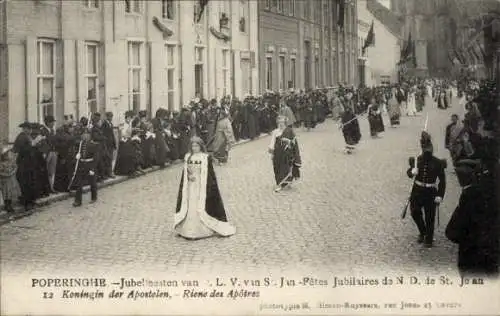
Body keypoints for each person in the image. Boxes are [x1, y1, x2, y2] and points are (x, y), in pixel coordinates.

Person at [174, 136, 236, 240]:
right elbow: (186, 172)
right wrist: (189, 176)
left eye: (196, 146)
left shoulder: (205, 157)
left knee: (200, 204)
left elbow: (210, 175)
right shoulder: (188, 156)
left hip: (201, 185)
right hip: (191, 185)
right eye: (193, 146)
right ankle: (188, 229)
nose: (194, 148)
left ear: (200, 146)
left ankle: (201, 229)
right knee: (191, 204)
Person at [445, 159, 499, 277]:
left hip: (470, 256)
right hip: (491, 256)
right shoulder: (491, 194)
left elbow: (452, 233)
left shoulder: (467, 197)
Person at [407, 131, 446, 248]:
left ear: (431, 148)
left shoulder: (438, 163)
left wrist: (440, 195)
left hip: (430, 192)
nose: (427, 151)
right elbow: (409, 172)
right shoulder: (416, 160)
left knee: (430, 216)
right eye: (425, 148)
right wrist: (411, 172)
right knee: (414, 212)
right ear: (422, 148)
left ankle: (429, 238)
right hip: (417, 190)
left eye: (429, 148)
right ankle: (422, 231)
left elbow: (442, 181)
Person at [268, 116, 301, 192]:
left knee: (286, 168)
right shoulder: (275, 132)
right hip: (277, 153)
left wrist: (288, 141)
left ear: (285, 122)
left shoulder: (289, 131)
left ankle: (283, 184)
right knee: (277, 169)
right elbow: (272, 142)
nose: (281, 124)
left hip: (287, 153)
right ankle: (279, 183)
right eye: (279, 122)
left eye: (282, 122)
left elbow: (294, 143)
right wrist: (272, 153)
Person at [70, 128, 99, 207]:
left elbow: (96, 158)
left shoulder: (94, 145)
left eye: (87, 134)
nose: (85, 136)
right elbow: (75, 152)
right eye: (83, 134)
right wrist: (76, 156)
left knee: (92, 182)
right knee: (79, 183)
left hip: (90, 164)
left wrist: (93, 168)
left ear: (89, 136)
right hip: (81, 164)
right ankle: (78, 201)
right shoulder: (79, 145)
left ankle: (94, 197)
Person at [0, 144, 21, 213]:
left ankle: (10, 204)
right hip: (5, 180)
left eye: (7, 154)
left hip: (11, 179)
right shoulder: (1, 163)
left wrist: (13, 172)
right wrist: (6, 174)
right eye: (5, 154)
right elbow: (0, 172)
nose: (6, 155)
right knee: (6, 193)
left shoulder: (11, 161)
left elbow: (15, 166)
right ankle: (7, 205)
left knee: (10, 192)